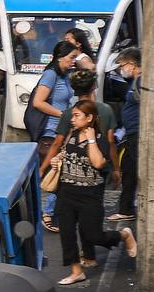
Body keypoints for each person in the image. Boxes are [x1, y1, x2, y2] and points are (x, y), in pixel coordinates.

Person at [50, 101, 137, 286]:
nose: (72, 119)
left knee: (94, 235)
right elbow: (65, 154)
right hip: (66, 192)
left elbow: (98, 163)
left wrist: (90, 140)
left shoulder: (100, 139)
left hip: (89, 196)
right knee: (66, 234)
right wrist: (57, 160)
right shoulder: (71, 135)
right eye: (72, 115)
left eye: (76, 116)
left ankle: (123, 235)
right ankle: (76, 271)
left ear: (89, 118)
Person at [42, 71, 118, 215]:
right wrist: (116, 168)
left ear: (74, 89)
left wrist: (42, 168)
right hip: (98, 172)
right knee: (93, 210)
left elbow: (58, 143)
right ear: (94, 86)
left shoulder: (69, 113)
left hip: (72, 174)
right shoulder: (106, 110)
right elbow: (111, 141)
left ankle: (53, 216)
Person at [28, 41, 76, 233]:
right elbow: (38, 102)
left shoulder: (66, 76)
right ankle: (47, 213)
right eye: (71, 57)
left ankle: (46, 212)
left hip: (62, 132)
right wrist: (62, 115)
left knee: (57, 174)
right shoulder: (51, 75)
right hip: (50, 134)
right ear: (59, 57)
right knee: (53, 175)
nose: (74, 61)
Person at [112, 47, 141, 222]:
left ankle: (127, 208)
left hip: (138, 135)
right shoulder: (135, 82)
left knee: (134, 171)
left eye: (123, 65)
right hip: (131, 134)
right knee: (129, 172)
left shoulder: (141, 81)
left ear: (132, 64)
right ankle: (126, 209)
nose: (122, 69)